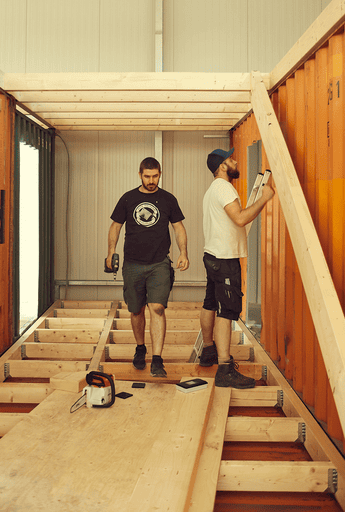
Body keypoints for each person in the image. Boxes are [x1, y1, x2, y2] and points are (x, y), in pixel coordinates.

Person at [199, 148, 275, 388]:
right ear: (223, 166)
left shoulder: (212, 190)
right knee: (226, 311)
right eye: (231, 159)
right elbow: (240, 218)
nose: (236, 161)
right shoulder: (224, 188)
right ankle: (224, 368)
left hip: (213, 255)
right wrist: (265, 198)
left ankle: (208, 350)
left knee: (210, 303)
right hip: (225, 259)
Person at [107, 157, 189, 377]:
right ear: (140, 174)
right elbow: (115, 226)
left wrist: (183, 253)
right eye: (147, 176)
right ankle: (140, 348)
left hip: (159, 263)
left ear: (160, 174)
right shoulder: (128, 199)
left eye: (155, 176)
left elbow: (179, 227)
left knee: (158, 308)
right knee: (136, 310)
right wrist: (110, 252)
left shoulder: (168, 199)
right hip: (132, 263)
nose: (151, 180)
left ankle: (157, 359)